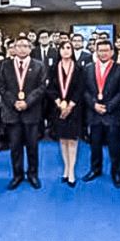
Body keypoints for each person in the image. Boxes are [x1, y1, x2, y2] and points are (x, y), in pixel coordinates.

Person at [0, 36, 47, 190]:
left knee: (32, 146)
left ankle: (33, 174)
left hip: (31, 111)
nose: (22, 49)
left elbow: (41, 87)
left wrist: (27, 102)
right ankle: (17, 175)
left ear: (30, 48)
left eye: (25, 46)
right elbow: (1, 87)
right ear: (14, 48)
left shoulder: (39, 65)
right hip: (12, 112)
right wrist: (14, 102)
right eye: (19, 45)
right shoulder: (5, 65)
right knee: (15, 147)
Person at [83, 39, 120, 188]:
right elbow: (84, 91)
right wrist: (94, 105)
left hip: (113, 114)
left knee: (114, 146)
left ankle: (116, 172)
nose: (103, 53)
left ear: (112, 52)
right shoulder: (88, 68)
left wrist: (108, 107)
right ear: (96, 52)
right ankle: (95, 169)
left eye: (106, 50)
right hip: (94, 113)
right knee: (94, 145)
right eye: (100, 50)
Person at [46, 41, 85, 186]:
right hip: (58, 108)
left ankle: (72, 171)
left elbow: (80, 88)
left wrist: (70, 105)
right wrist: (58, 102)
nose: (66, 50)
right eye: (63, 48)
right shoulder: (53, 68)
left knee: (72, 140)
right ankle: (66, 169)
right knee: (62, 140)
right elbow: (50, 88)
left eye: (68, 48)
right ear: (59, 51)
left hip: (74, 109)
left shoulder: (79, 68)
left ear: (72, 50)